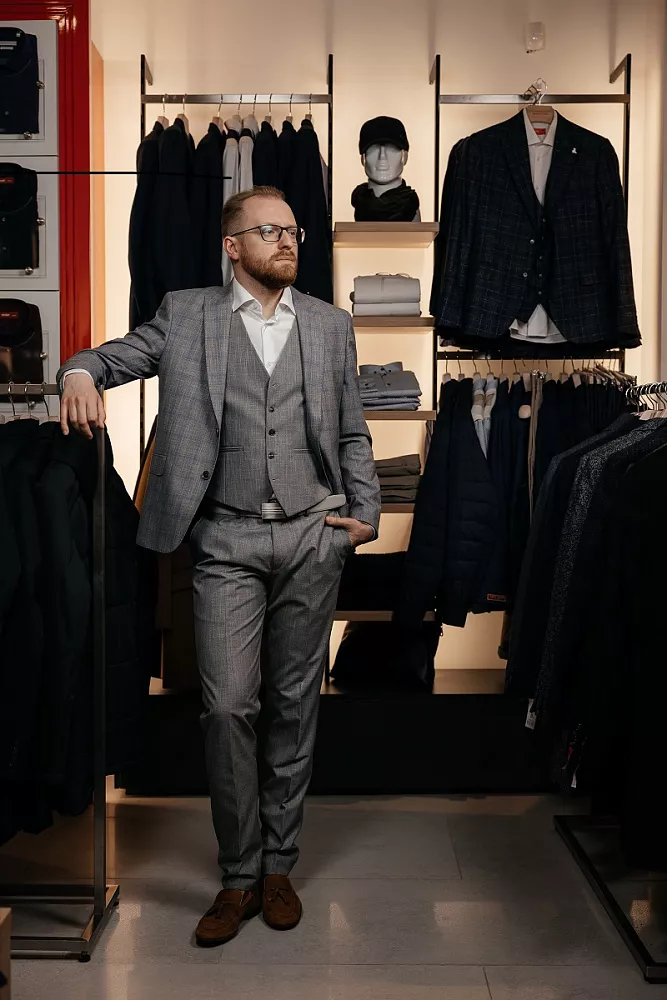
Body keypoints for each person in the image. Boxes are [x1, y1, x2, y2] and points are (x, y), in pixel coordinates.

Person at [58, 186, 381, 947]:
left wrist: (362, 514)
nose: (287, 241)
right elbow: (114, 357)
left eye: (292, 231)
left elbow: (351, 429)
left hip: (311, 534)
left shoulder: (329, 325)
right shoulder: (187, 314)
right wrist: (78, 372)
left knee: (294, 705)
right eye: (269, 231)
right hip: (224, 539)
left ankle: (278, 867)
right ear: (232, 246)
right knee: (228, 706)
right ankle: (238, 872)